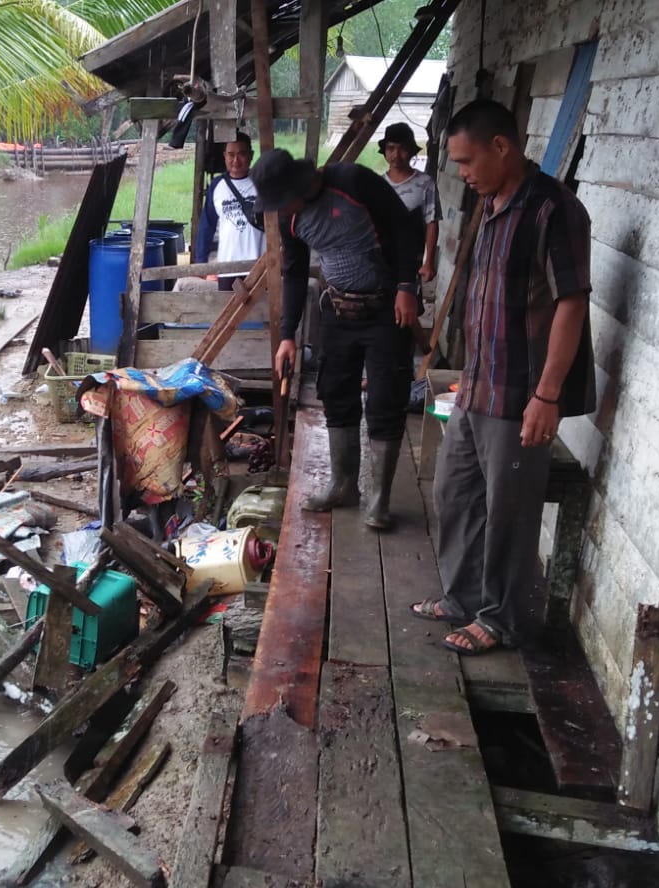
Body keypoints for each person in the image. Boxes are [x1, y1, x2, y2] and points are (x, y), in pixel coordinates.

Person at [412, 99, 595, 656]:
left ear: (501, 146)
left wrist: (548, 395)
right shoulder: (490, 205)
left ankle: (501, 620)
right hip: (478, 384)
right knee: (454, 493)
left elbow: (571, 302)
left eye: (467, 161)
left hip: (521, 394)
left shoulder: (553, 209)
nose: (462, 174)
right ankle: (463, 598)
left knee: (509, 515)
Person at [255, 148, 421, 531]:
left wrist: (406, 286)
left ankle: (379, 500)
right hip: (338, 312)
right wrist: (287, 336)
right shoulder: (289, 217)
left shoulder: (352, 181)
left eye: (284, 199)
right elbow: (294, 273)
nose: (282, 209)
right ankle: (343, 485)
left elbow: (405, 227)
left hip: (386, 309)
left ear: (300, 184)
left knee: (385, 398)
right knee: (335, 393)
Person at [193, 131, 265, 292]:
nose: (236, 160)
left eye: (241, 154)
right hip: (227, 266)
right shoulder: (217, 186)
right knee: (228, 307)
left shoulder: (262, 184)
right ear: (224, 156)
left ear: (251, 155)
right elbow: (207, 225)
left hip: (259, 265)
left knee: (261, 307)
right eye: (231, 155)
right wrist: (201, 261)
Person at [378, 122, 440, 289]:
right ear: (384, 151)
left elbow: (432, 223)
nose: (396, 155)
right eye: (391, 148)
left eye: (403, 149)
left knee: (408, 301)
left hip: (411, 260)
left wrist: (428, 262)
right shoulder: (377, 184)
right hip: (381, 261)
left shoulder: (425, 183)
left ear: (412, 151)